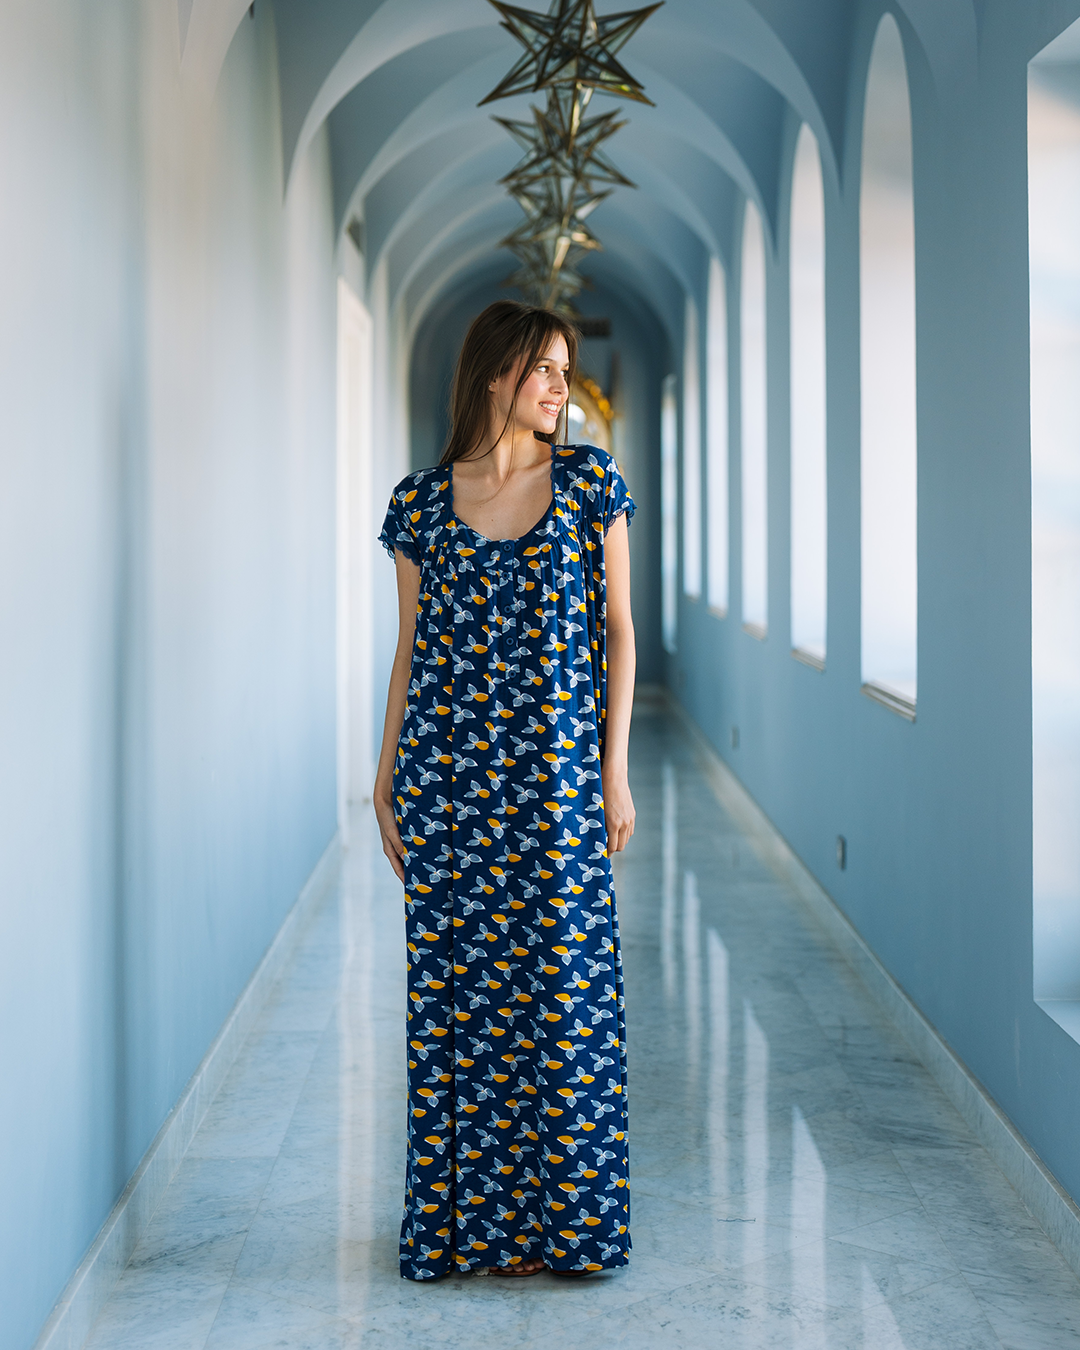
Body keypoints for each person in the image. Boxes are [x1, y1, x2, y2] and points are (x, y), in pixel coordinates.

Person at [375, 300, 636, 1280]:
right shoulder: (419, 504)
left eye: (566, 368)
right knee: (464, 1009)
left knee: (563, 998)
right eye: (544, 368)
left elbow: (619, 633)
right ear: (494, 373)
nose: (561, 386)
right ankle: (470, 1229)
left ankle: (564, 1226)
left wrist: (612, 769)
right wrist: (384, 775)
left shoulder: (589, 485)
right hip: (449, 790)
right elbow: (410, 651)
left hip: (559, 789)